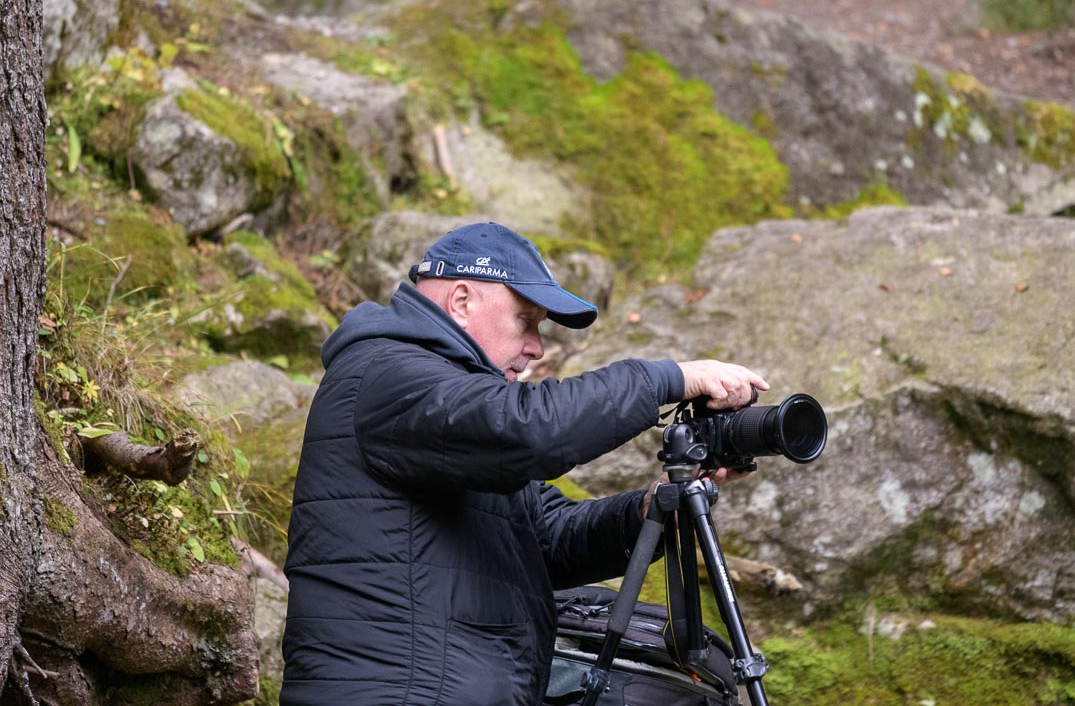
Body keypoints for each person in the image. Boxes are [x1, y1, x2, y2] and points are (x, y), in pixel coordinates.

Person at [280, 222, 769, 706]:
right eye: (526, 320)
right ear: (463, 301)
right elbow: (530, 430)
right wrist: (669, 379)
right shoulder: (386, 372)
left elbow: (547, 538)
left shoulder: (455, 416)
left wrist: (652, 509)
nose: (536, 347)